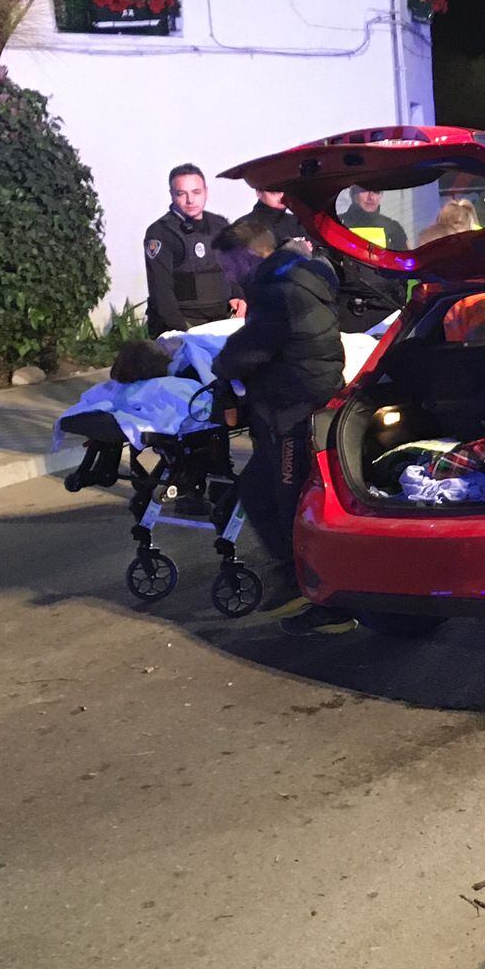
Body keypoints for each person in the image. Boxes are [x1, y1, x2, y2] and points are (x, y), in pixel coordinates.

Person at [210, 218, 350, 634]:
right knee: (259, 488)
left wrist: (220, 364)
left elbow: (251, 348)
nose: (227, 276)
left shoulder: (277, 290)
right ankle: (303, 581)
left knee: (290, 503)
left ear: (249, 255)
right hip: (305, 400)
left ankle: (319, 594)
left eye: (228, 266)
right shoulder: (304, 275)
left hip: (292, 409)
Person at [145, 163, 239, 337]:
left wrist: (240, 299)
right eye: (182, 194)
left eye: (196, 192)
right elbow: (161, 291)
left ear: (206, 192)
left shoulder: (220, 225)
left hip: (223, 322)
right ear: (172, 195)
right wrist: (183, 333)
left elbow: (233, 270)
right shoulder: (160, 233)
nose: (190, 200)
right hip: (184, 325)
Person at [331, 183, 409, 333]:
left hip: (386, 309)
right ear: (353, 194)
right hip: (347, 311)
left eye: (376, 191)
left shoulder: (393, 228)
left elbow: (404, 270)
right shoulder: (338, 226)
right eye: (365, 190)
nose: (371, 197)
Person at [232, 186, 307, 252]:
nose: (281, 197)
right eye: (274, 193)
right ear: (258, 192)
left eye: (285, 191)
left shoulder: (297, 222)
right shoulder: (243, 225)